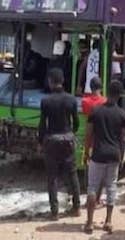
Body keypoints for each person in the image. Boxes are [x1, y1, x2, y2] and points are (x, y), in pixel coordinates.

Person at [83, 80, 125, 234]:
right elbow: (123, 139)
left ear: (107, 92)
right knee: (111, 187)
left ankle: (89, 223)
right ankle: (108, 221)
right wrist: (121, 156)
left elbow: (89, 134)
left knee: (92, 187)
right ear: (120, 95)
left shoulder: (95, 111)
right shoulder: (122, 114)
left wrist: (85, 152)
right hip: (114, 154)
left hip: (98, 154)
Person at [38, 68, 80, 220]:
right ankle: (76, 208)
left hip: (52, 142)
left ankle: (54, 212)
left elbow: (42, 125)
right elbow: (76, 123)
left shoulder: (46, 101)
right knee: (72, 174)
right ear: (62, 81)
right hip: (68, 141)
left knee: (52, 177)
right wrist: (71, 134)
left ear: (50, 81)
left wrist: (40, 141)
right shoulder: (71, 100)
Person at [81, 76, 107, 207]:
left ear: (90, 88)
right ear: (101, 87)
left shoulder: (85, 102)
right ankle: (97, 199)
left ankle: (89, 198)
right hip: (103, 140)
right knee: (102, 173)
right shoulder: (105, 101)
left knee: (89, 173)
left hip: (90, 140)